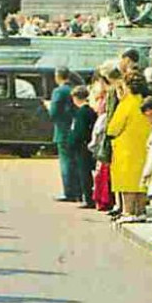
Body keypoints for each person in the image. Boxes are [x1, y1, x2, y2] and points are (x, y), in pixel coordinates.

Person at [107, 72, 151, 223]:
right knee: (141, 180)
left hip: (127, 147)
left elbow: (112, 128)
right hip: (145, 146)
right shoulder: (147, 102)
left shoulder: (126, 103)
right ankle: (140, 210)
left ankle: (128, 211)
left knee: (127, 180)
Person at [49, 69, 77, 200]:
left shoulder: (58, 91)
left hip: (62, 129)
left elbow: (53, 112)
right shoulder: (74, 89)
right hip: (75, 128)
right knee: (75, 161)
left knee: (65, 162)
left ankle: (68, 191)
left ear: (57, 77)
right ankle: (78, 190)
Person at [69, 86, 97, 208]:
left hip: (82, 146)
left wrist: (71, 142)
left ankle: (88, 198)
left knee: (84, 173)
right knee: (89, 172)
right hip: (90, 144)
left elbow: (78, 131)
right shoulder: (90, 111)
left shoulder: (81, 112)